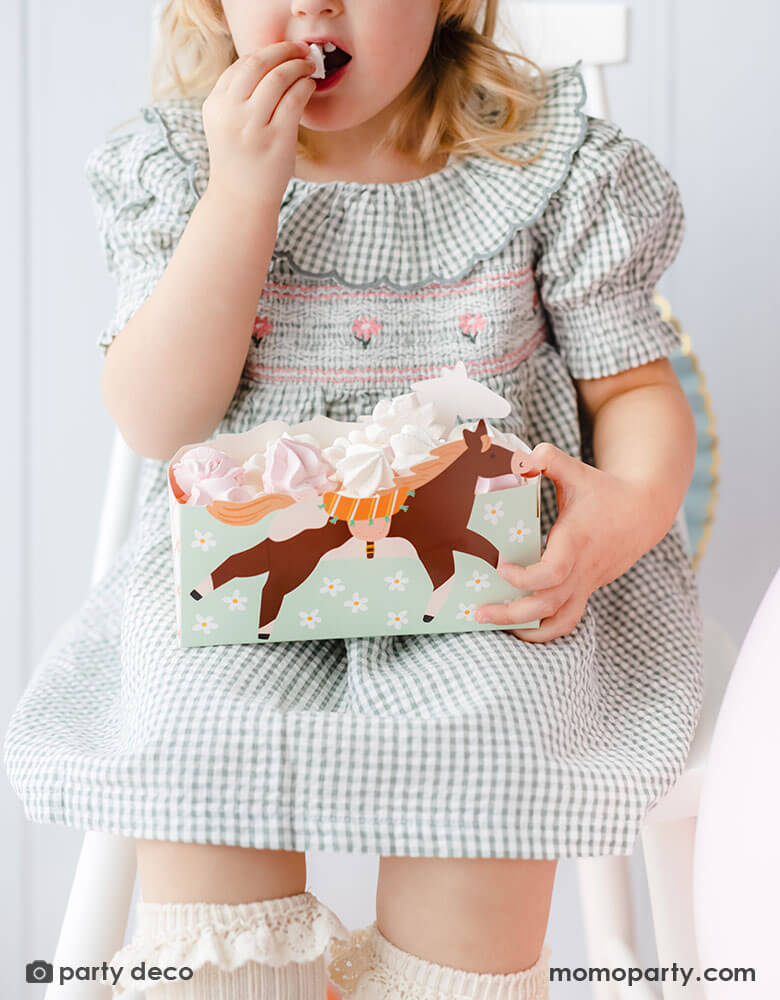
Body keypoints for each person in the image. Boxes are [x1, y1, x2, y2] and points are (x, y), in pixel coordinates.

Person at [3, 0, 704, 997]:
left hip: (479, 581)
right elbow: (158, 422)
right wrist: (243, 194)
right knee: (195, 729)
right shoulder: (180, 165)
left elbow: (631, 388)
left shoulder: (551, 166)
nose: (312, 4)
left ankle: (451, 975)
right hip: (242, 586)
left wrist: (626, 503)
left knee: (502, 729)